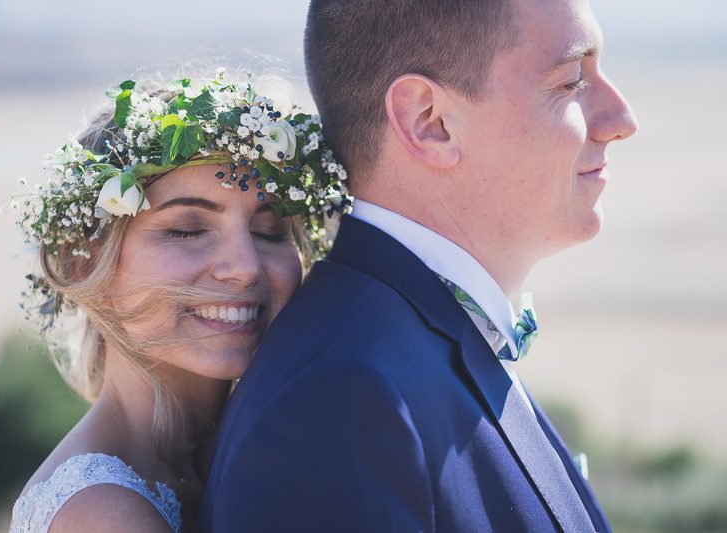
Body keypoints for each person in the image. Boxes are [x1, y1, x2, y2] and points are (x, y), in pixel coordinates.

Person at [198, 0, 638, 531]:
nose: (621, 121)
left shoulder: (418, 340)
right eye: (571, 81)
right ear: (428, 122)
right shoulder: (340, 400)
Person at [8, 72, 351, 532]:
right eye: (187, 230)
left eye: (269, 232)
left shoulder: (255, 459)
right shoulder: (99, 515)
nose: (246, 267)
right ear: (83, 265)